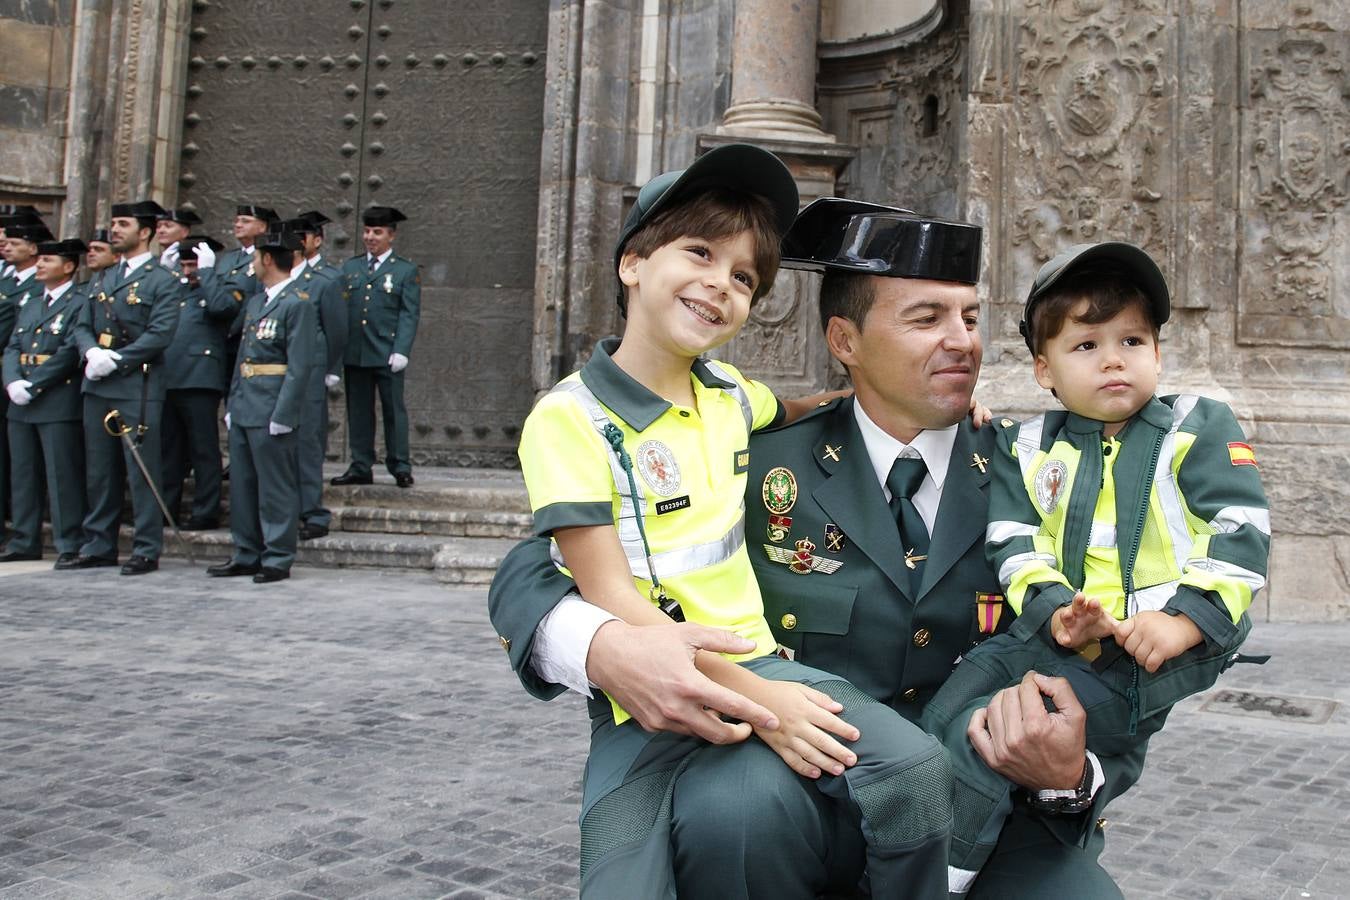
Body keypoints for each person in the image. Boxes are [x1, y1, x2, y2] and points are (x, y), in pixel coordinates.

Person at [490, 199, 1144, 898]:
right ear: (845, 340)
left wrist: (1071, 781)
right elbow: (537, 566)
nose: (963, 342)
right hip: (795, 792)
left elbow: (1123, 668)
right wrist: (600, 644)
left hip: (985, 815)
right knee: (727, 814)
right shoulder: (759, 458)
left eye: (971, 318)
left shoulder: (1047, 476)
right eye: (927, 319)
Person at [515, 148, 966, 899]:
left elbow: (796, 410)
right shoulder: (569, 419)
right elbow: (608, 596)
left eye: (744, 278)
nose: (719, 284)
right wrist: (757, 703)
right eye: (699, 253)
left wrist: (935, 407)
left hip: (760, 663)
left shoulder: (728, 393)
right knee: (621, 886)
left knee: (915, 772)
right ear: (632, 262)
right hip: (646, 705)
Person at [919, 241, 1270, 894]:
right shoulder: (1026, 445)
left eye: (1132, 340)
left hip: (1139, 659)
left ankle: (938, 880)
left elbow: (1239, 534)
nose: (1114, 358)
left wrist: (1182, 624)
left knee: (989, 743)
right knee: (941, 719)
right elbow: (1016, 542)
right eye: (1086, 346)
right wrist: (1055, 613)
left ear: (1158, 355)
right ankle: (900, 846)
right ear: (1043, 369)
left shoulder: (1195, 428)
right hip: (1046, 633)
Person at [70, 199, 183, 575]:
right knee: (99, 470)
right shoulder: (103, 277)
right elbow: (82, 323)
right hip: (99, 384)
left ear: (145, 232)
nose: (115, 230)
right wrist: (90, 354)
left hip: (138, 384)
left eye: (123, 224)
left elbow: (160, 333)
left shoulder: (161, 281)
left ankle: (146, 547)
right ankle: (99, 542)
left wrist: (117, 359)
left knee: (141, 470)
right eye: (114, 223)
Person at [206, 227, 315, 583]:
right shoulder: (257, 302)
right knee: (243, 484)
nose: (252, 263)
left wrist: (285, 414)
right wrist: (233, 401)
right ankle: (246, 551)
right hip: (247, 404)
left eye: (255, 257)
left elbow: (298, 367)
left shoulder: (297, 303)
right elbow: (243, 356)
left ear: (268, 259)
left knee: (275, 486)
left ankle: (278, 555)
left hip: (272, 406)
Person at [1, 238, 88, 566]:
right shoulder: (31, 302)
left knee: (60, 474)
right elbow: (12, 345)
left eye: (47, 260)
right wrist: (12, 381)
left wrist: (34, 384)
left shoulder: (79, 302)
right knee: (23, 473)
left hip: (56, 398)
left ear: (68, 266)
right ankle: (25, 538)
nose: (39, 265)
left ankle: (69, 540)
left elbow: (68, 351)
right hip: (21, 399)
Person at [331, 206, 420, 488]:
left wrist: (402, 349)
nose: (370, 237)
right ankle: (360, 464)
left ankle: (400, 465)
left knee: (394, 411)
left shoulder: (405, 270)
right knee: (358, 411)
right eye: (367, 231)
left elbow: (409, 313)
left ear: (391, 236)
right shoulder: (351, 268)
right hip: (356, 352)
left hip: (387, 352)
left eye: (377, 232)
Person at [160, 236, 233, 530]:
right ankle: (167, 508)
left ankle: (205, 511)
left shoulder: (218, 288)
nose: (188, 271)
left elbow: (221, 309)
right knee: (170, 451)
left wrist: (207, 274)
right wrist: (165, 273)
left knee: (203, 449)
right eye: (185, 265)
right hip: (169, 377)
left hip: (200, 378)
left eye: (194, 265)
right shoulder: (174, 289)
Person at [282, 215, 347, 540]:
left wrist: (327, 369)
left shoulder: (324, 280)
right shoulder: (277, 279)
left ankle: (312, 512)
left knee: (307, 446)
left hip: (310, 375)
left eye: (300, 235)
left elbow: (336, 330)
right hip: (280, 377)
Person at [0, 216, 54, 548]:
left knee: (21, 462)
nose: (6, 246)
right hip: (10, 375)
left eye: (14, 242)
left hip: (26, 379)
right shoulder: (7, 280)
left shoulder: (37, 288)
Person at [155, 206, 203, 271]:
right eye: (158, 226)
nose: (161, 230)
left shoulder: (195, 259)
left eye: (168, 226)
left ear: (185, 231)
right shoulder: (154, 260)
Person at [81, 228, 118, 294]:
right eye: (89, 250)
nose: (90, 254)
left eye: (98, 249)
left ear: (116, 257)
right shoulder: (82, 289)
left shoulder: (119, 285)